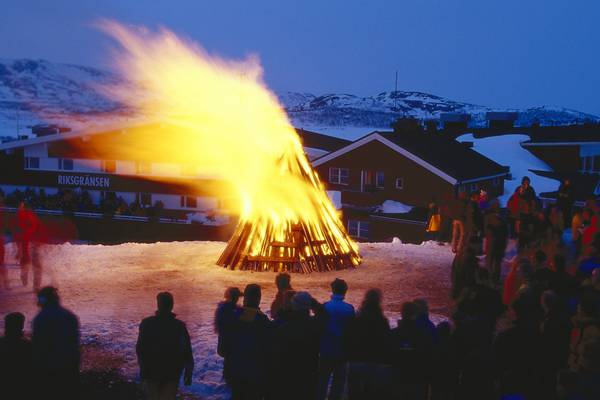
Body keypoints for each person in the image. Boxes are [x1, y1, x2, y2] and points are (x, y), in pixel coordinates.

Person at [136, 292, 194, 400]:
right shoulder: (179, 326)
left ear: (158, 304)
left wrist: (143, 371)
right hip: (171, 373)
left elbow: (140, 349)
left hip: (151, 372)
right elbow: (187, 350)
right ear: (172, 305)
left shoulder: (147, 323)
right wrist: (188, 371)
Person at [271, 292, 322, 400]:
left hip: (287, 375)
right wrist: (313, 302)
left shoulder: (284, 326)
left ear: (293, 305)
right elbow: (324, 316)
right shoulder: (315, 325)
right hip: (308, 374)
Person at [32, 286, 80, 400]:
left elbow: (39, 346)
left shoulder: (41, 318)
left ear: (43, 300)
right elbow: (74, 342)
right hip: (69, 364)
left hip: (50, 366)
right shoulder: (69, 315)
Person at [344, 289, 394, 399]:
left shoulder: (356, 318)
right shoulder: (382, 320)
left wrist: (348, 356)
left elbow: (347, 337)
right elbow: (386, 342)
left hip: (355, 361)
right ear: (379, 300)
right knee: (371, 394)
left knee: (354, 394)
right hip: (374, 361)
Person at [227, 284, 272, 400]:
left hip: (235, 373)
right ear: (259, 299)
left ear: (245, 297)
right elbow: (269, 352)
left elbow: (222, 350)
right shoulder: (264, 322)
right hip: (256, 376)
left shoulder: (231, 317)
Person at [317, 278, 355, 400]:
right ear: (345, 291)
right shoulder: (349, 309)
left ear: (332, 290)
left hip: (326, 349)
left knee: (322, 382)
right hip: (342, 351)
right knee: (338, 384)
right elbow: (351, 331)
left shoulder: (326, 307)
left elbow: (319, 328)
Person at [0, 312, 33, 399]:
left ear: (6, 325)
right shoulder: (27, 345)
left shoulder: (2, 343)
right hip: (22, 386)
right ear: (21, 326)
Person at [214, 287, 242, 386]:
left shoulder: (223, 309)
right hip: (229, 342)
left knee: (229, 361)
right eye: (236, 297)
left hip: (225, 342)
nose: (237, 299)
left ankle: (228, 379)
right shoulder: (233, 311)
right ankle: (229, 380)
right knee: (230, 361)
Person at [483, 200, 508, 285]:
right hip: (494, 242)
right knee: (493, 261)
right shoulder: (495, 218)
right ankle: (492, 279)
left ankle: (491, 279)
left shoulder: (491, 217)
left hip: (495, 242)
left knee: (493, 261)